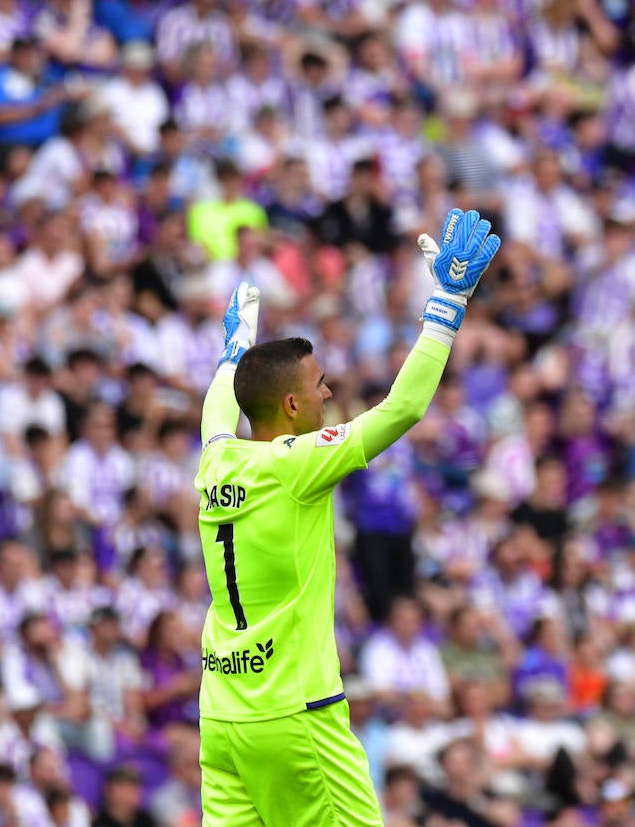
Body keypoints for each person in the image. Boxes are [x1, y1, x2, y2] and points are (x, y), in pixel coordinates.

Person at [194, 209, 501, 824]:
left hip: (223, 716)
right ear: (289, 403)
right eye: (318, 385)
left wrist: (232, 354)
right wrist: (447, 303)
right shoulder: (297, 465)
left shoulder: (214, 459)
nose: (327, 394)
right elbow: (404, 408)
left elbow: (217, 408)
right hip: (296, 712)